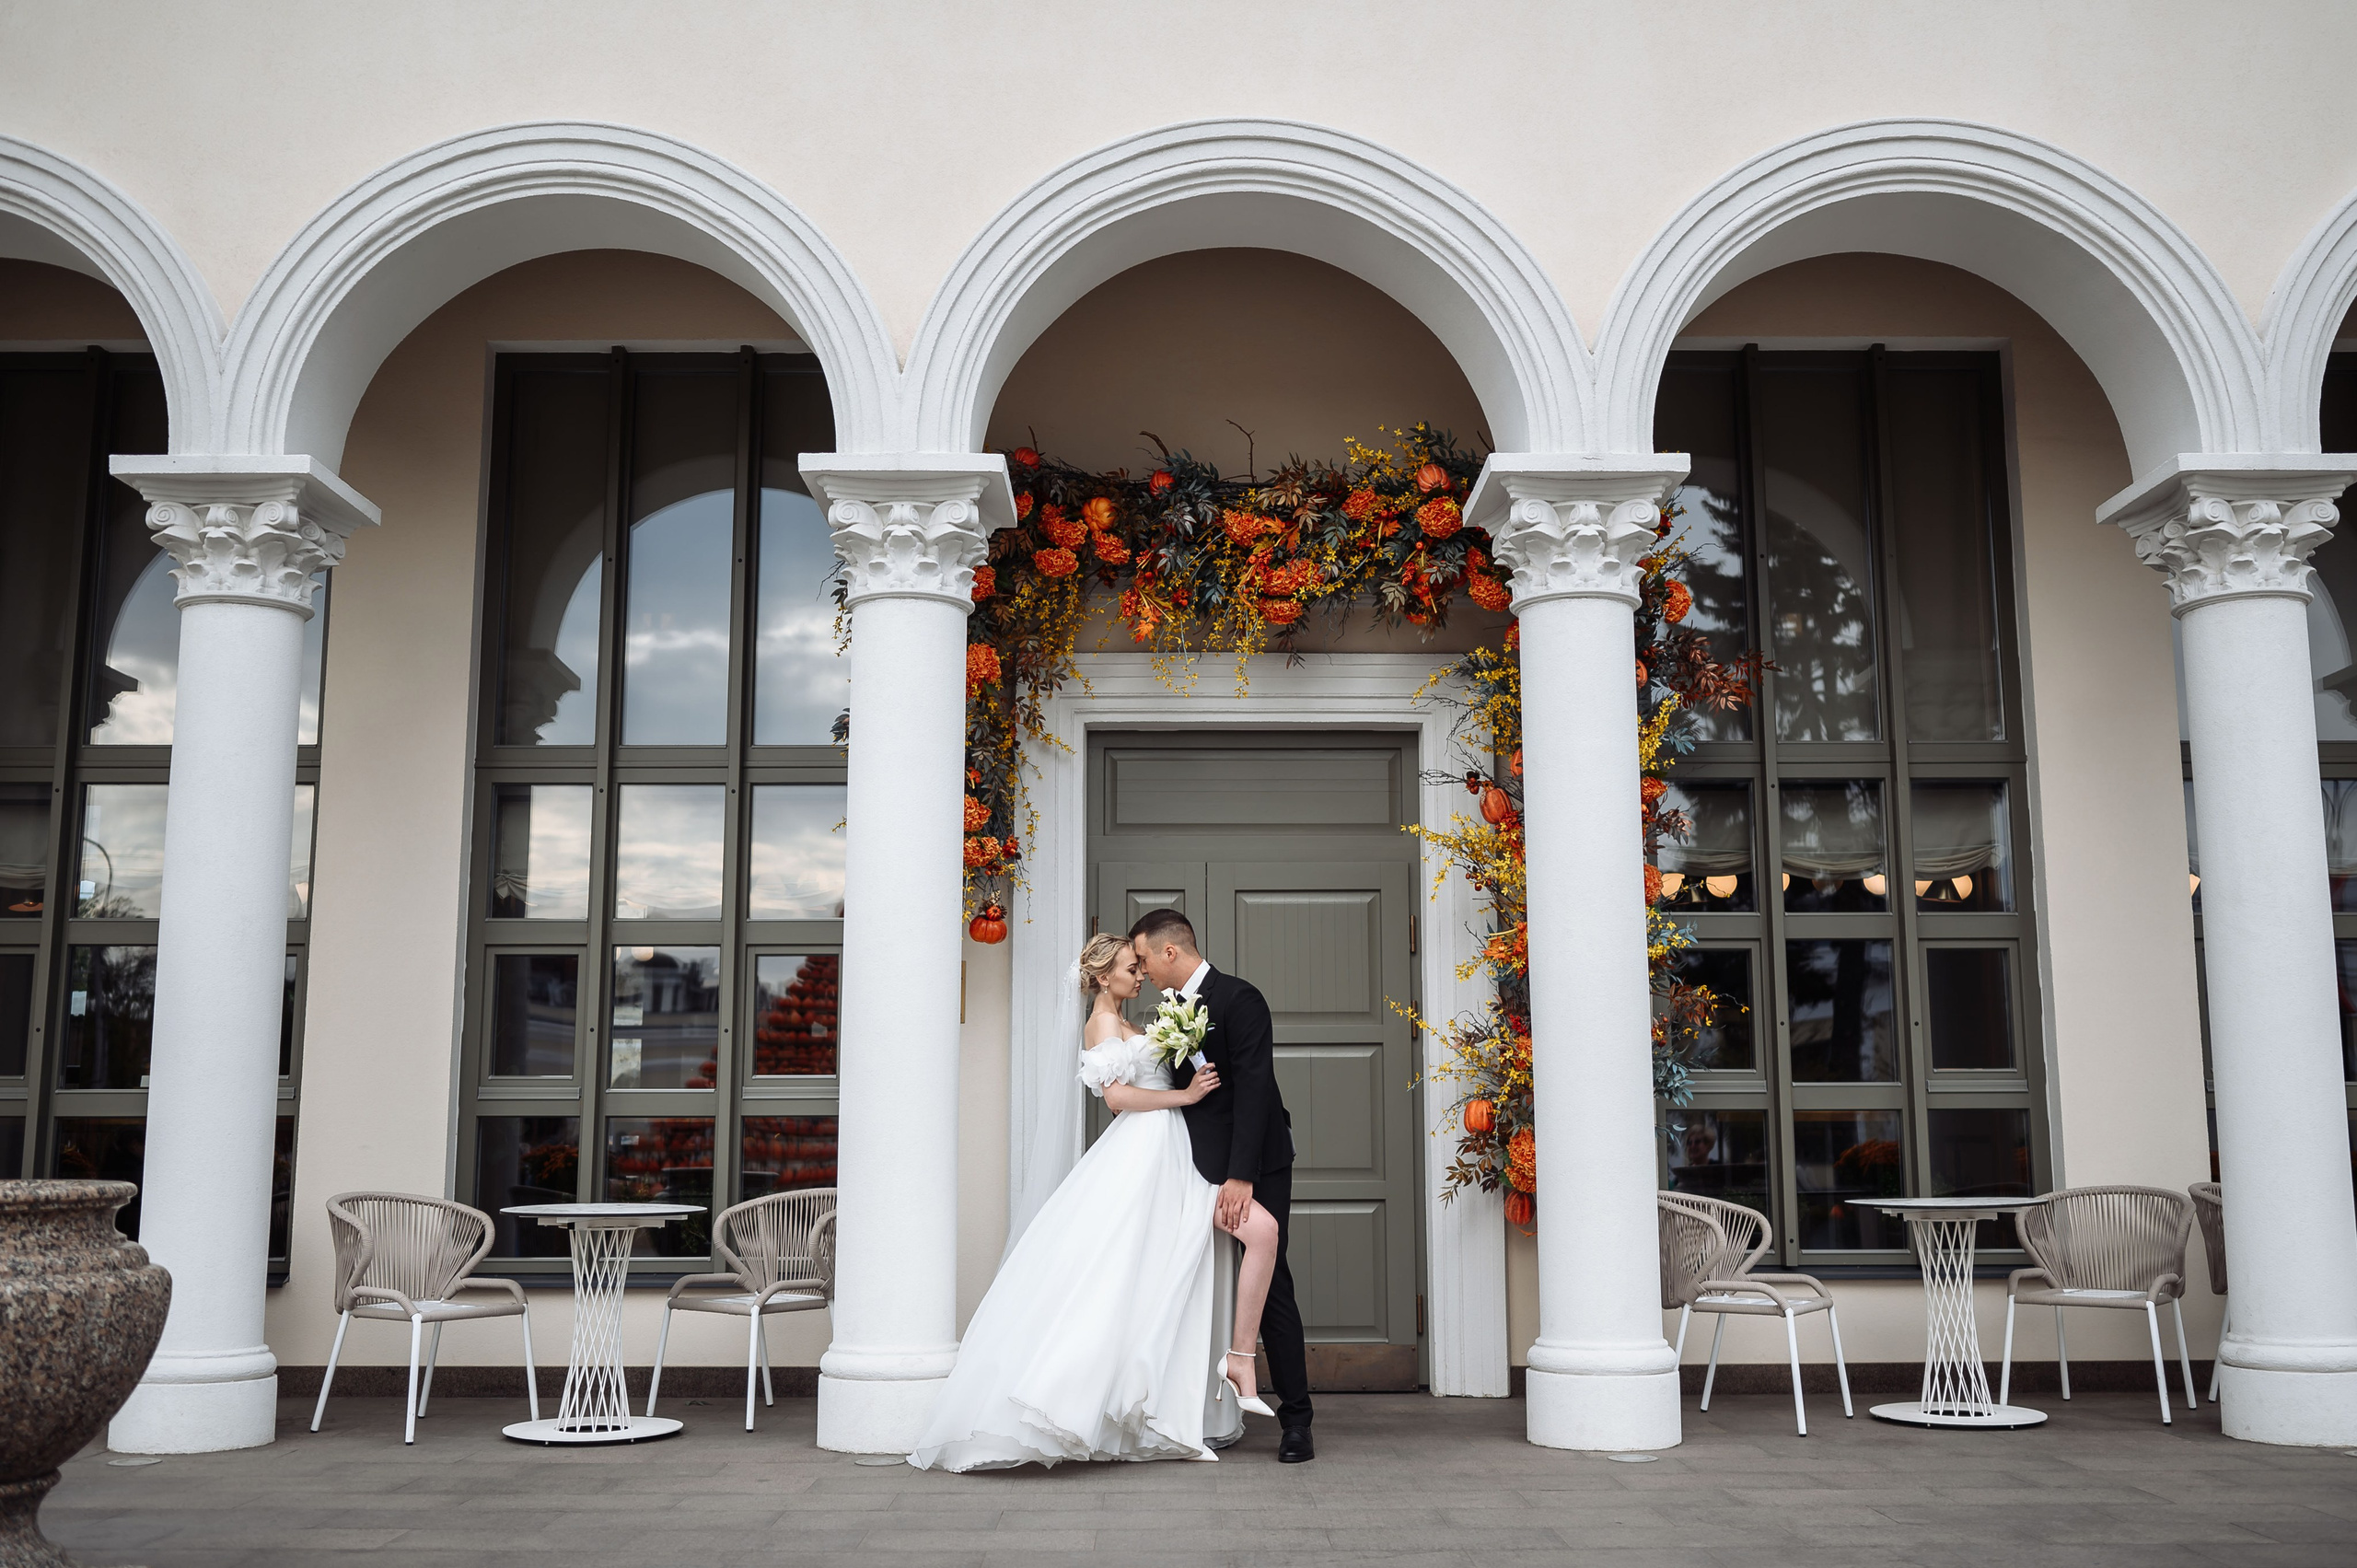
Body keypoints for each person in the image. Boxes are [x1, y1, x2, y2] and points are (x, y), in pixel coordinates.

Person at [905, 932, 1278, 1469]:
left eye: (1139, 965)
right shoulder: (1102, 1023)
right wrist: (1186, 1094)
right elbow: (1117, 1098)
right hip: (1145, 1149)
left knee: (1163, 1268)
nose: (1139, 974)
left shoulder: (1132, 1021)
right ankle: (1109, 1399)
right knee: (1121, 1271)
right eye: (1130, 967)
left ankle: (1189, 1386)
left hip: (1173, 1148)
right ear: (1104, 976)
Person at [1130, 907, 1315, 1465]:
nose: (1142, 972)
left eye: (1144, 960)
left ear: (1170, 952)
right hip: (1194, 1165)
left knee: (1272, 1278)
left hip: (1253, 1163)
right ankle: (1185, 1406)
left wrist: (1241, 1175)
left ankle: (1297, 1421)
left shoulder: (1241, 999)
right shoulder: (1167, 1010)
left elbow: (1255, 1090)